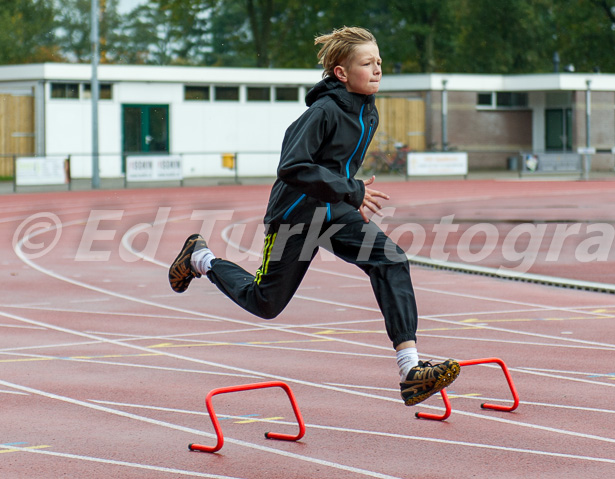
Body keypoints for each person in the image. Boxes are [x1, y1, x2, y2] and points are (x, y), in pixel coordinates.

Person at [169, 26, 459, 406]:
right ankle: (199, 258)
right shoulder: (322, 111)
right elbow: (291, 166)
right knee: (265, 303)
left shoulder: (368, 112)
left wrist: (346, 191)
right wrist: (351, 190)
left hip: (336, 211)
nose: (377, 70)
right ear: (341, 73)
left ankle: (410, 371)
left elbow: (333, 164)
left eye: (379, 63)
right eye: (367, 63)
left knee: (390, 260)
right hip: (297, 213)